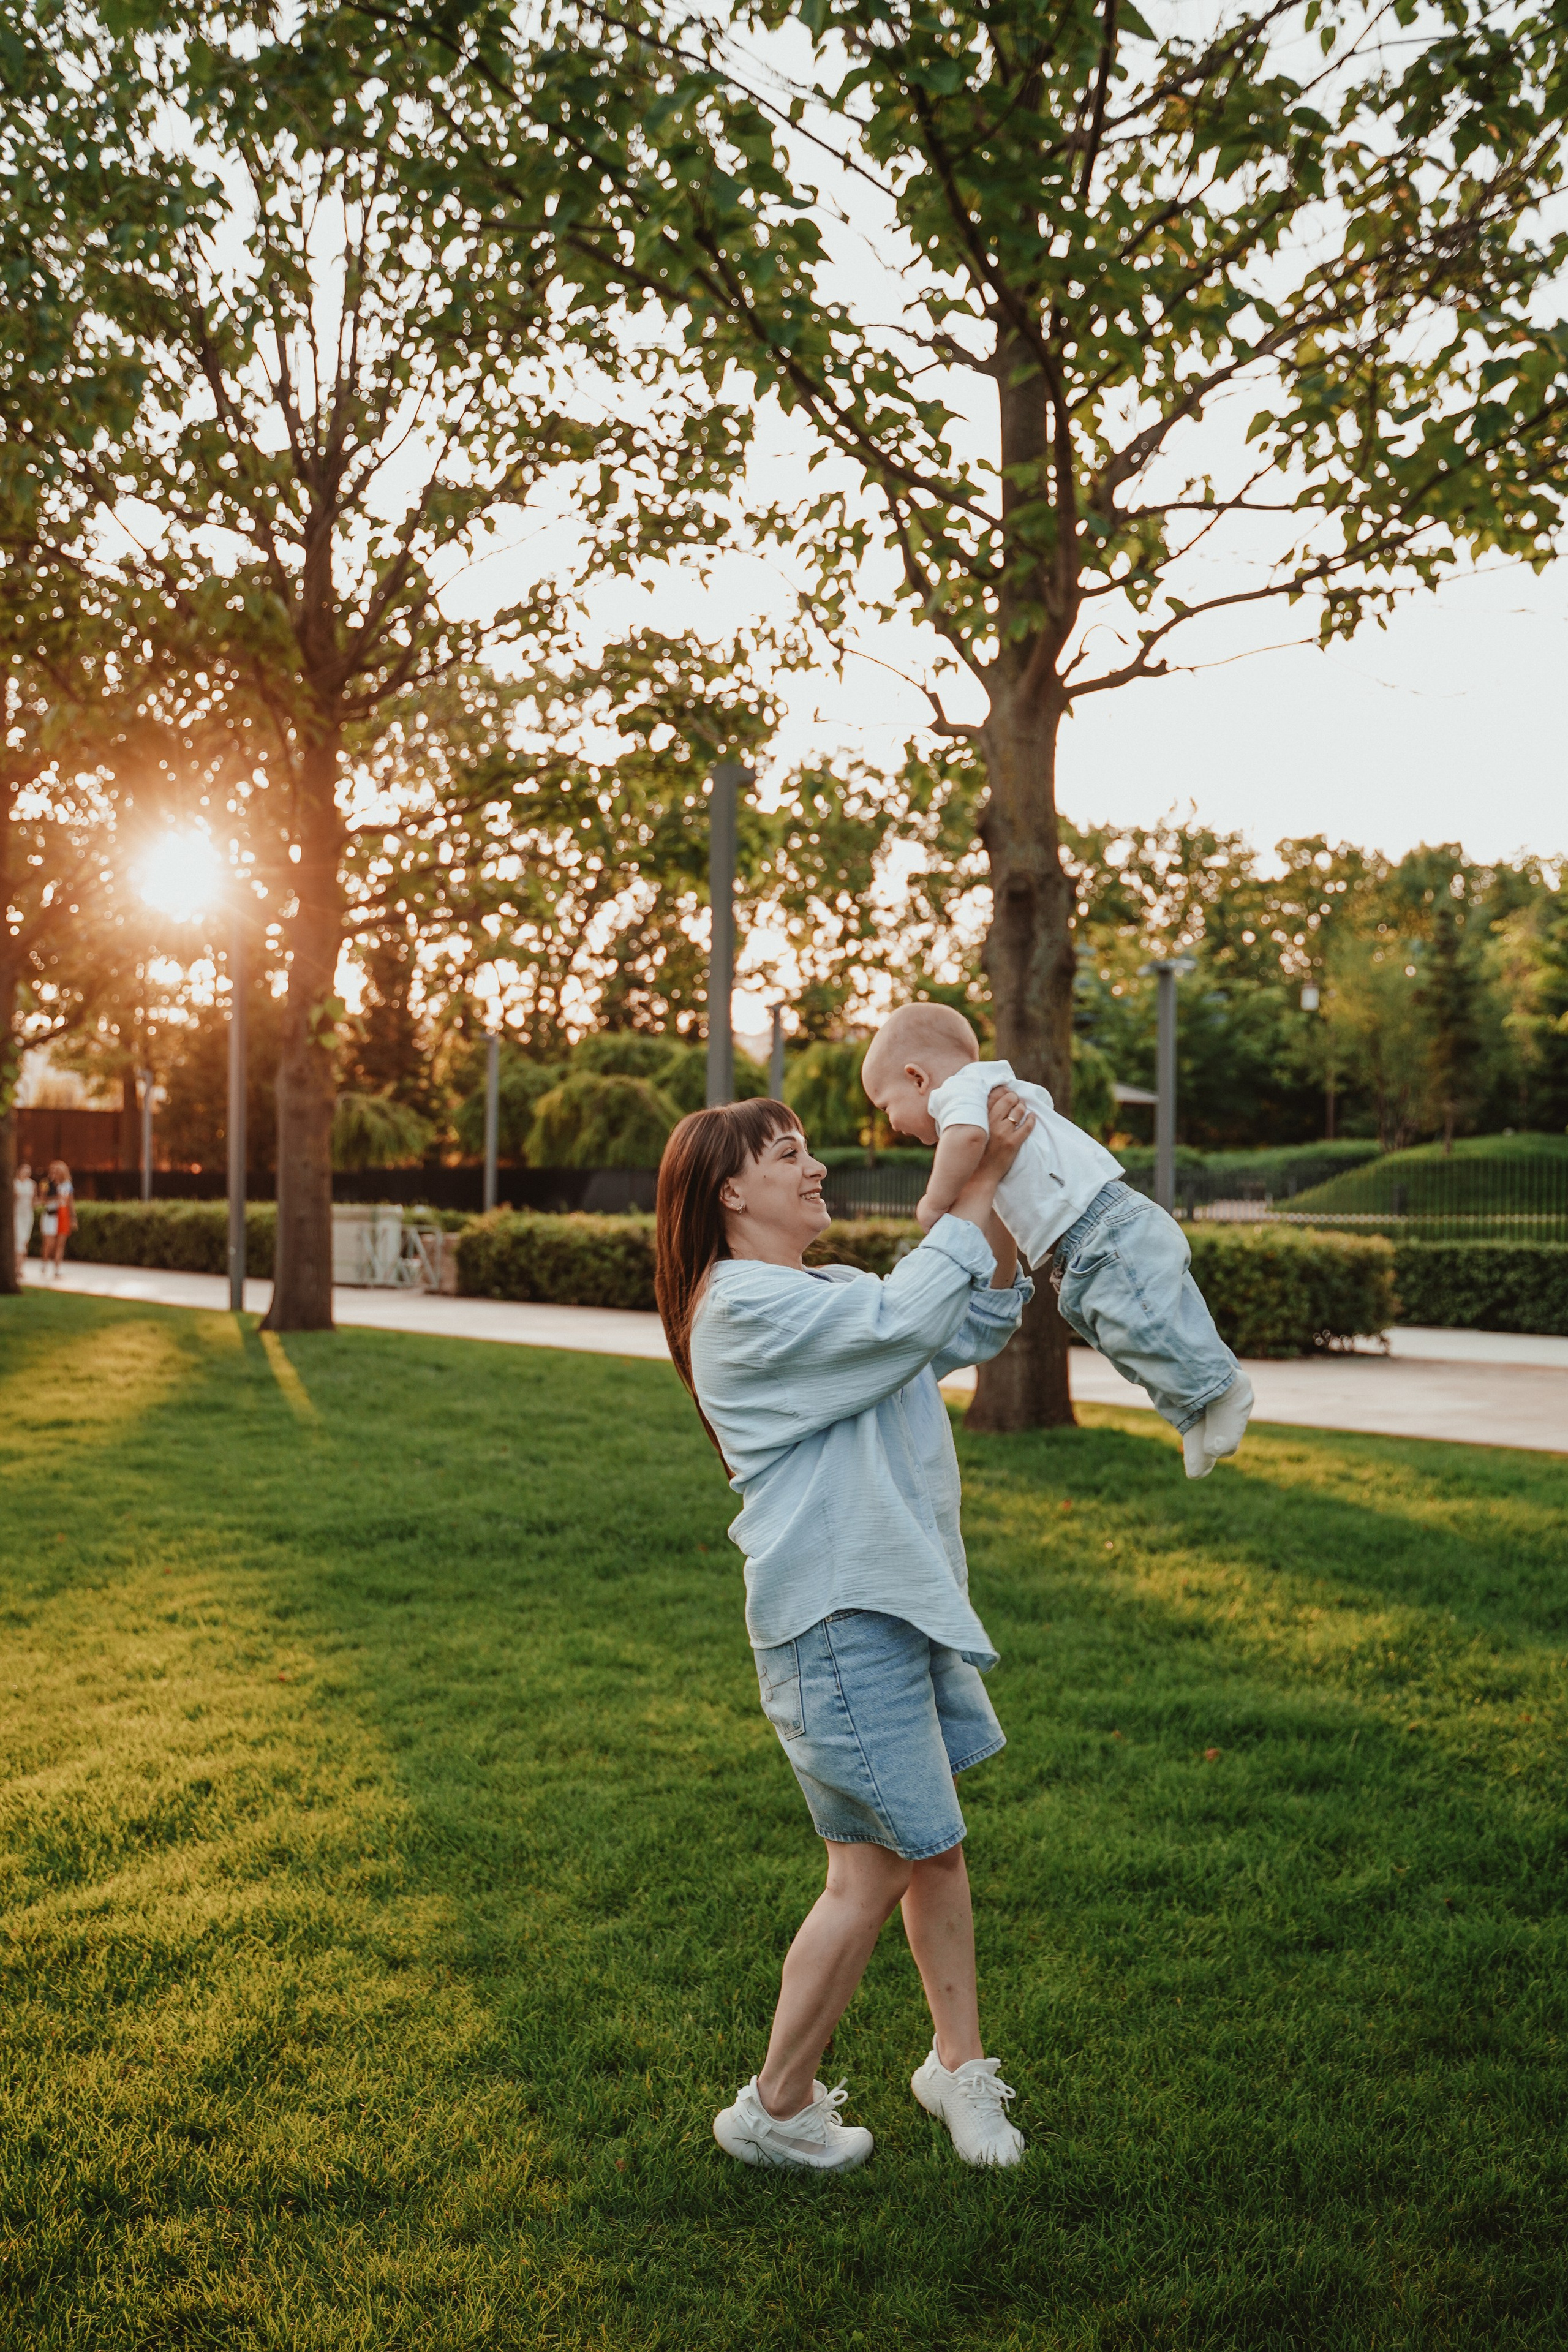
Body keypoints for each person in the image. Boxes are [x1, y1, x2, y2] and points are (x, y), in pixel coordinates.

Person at [655, 1086, 1039, 2174]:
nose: (815, 1167)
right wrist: (976, 1178)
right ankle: (776, 2107)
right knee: (873, 1871)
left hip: (886, 1601)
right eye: (790, 1155)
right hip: (836, 1616)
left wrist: (1005, 1186)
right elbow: (905, 1317)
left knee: (929, 1847)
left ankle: (955, 2071)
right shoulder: (737, 1307)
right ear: (732, 1191)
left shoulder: (821, 1288)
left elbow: (963, 1320)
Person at [861, 1002, 1254, 1479]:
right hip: (1081, 1246)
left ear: (918, 1078)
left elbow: (962, 1140)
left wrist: (934, 1200)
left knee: (1147, 1326)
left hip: (1103, 1226)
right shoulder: (984, 1099)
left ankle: (1222, 1387)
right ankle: (1192, 1413)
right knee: (1125, 1341)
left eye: (886, 1106)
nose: (892, 1124)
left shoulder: (962, 1095)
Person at [39, 1158, 74, 1279]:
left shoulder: (67, 1185)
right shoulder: (45, 1183)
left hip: (63, 1215)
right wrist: (55, 1198)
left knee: (60, 1244)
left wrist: (73, 1218)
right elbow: (42, 1201)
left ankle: (57, 1269)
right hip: (50, 1215)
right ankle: (44, 1264)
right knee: (50, 1244)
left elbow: (70, 1203)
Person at [13, 1159, 36, 1272]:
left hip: (28, 1215)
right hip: (17, 1214)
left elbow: (34, 1201)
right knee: (19, 1241)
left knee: (25, 1240)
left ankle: (21, 1266)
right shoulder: (14, 1183)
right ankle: (18, 1269)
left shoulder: (32, 1184)